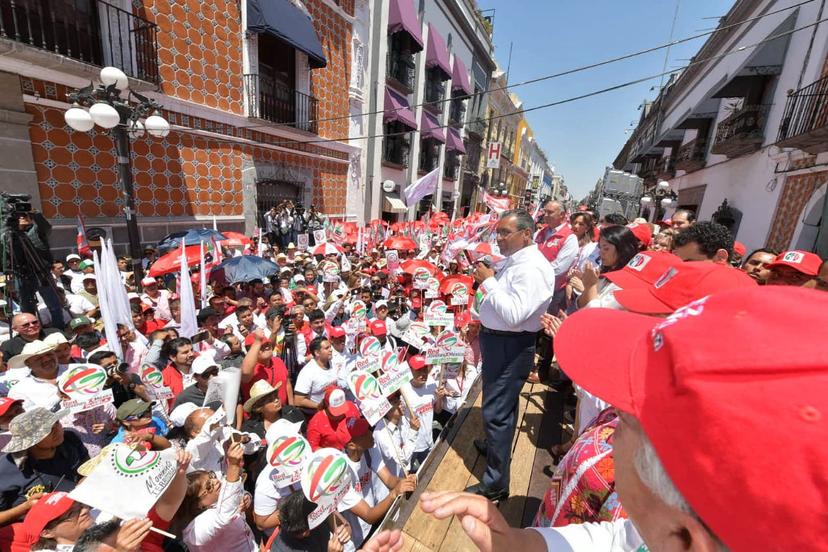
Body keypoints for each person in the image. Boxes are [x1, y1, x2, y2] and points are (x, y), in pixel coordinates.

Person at [392, 286, 828, 552]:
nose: (606, 428)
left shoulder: (667, 528)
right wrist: (522, 546)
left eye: (624, 419)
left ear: (684, 538)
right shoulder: (671, 529)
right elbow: (625, 540)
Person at [471, 210, 555, 501]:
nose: (499, 238)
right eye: (498, 232)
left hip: (510, 344)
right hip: (501, 344)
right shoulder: (519, 261)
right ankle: (497, 448)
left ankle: (496, 483)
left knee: (496, 412)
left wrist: (488, 281)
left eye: (506, 233)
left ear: (526, 234)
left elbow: (514, 315)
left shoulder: (531, 268)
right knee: (502, 405)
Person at [338, 417, 417, 547]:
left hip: (375, 523)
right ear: (352, 445)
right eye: (364, 433)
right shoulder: (341, 472)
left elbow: (390, 480)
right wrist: (395, 492)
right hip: (355, 542)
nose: (370, 433)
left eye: (368, 428)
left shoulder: (369, 449)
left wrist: (405, 481)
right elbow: (369, 516)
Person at [0, 408, 89, 510]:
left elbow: (86, 466)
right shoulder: (4, 469)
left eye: (57, 423)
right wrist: (26, 507)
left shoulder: (70, 439)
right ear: (29, 441)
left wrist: (84, 483)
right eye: (49, 430)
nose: (58, 430)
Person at [175, 442, 257, 551]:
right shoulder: (195, 532)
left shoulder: (218, 499)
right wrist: (233, 466)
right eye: (209, 486)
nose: (215, 481)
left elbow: (235, 494)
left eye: (211, 475)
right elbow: (223, 516)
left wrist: (246, 498)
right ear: (198, 504)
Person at [534, 200, 578, 315]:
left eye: (550, 212)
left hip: (554, 291)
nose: (546, 215)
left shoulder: (570, 238)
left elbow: (559, 268)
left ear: (562, 215)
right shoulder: (541, 232)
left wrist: (534, 273)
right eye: (545, 212)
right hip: (534, 287)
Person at [269, 490, 351, 552]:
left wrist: (345, 530)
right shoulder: (280, 549)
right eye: (297, 532)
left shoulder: (316, 511)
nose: (305, 533)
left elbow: (343, 524)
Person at [13, 491, 94, 551]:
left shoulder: (99, 515)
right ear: (47, 533)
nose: (85, 510)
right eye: (71, 514)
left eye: (81, 505)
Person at [6, 340, 64, 410]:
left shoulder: (76, 369)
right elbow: (27, 418)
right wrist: (58, 397)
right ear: (28, 364)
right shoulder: (19, 390)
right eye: (38, 358)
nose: (46, 359)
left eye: (49, 354)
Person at [306, 387, 361, 451]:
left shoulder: (351, 407)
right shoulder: (315, 423)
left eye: (342, 409)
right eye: (336, 411)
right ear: (327, 406)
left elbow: (360, 427)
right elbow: (313, 448)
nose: (340, 415)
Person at [294, 337, 338, 413]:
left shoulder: (333, 362)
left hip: (335, 408)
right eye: (327, 348)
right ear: (317, 353)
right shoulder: (307, 372)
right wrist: (319, 406)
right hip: (316, 413)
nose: (331, 350)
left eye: (330, 347)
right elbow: (298, 400)